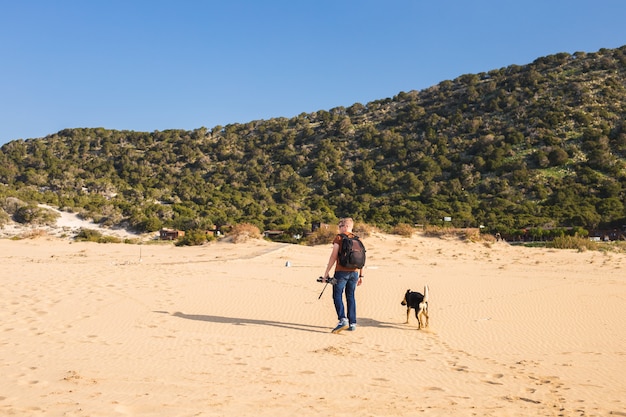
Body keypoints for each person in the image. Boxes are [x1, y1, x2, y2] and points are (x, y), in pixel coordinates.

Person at [322, 217, 364, 333]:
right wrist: (361, 276)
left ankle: (342, 319)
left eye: (340, 226)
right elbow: (362, 259)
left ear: (346, 226)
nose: (339, 229)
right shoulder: (358, 239)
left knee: (337, 295)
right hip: (354, 273)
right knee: (350, 296)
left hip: (341, 272)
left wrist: (326, 273)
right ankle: (352, 322)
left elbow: (333, 256)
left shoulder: (339, 238)